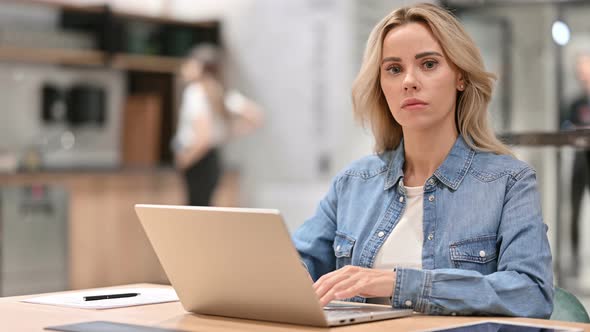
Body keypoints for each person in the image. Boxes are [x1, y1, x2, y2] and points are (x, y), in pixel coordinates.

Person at [292, 3, 553, 318]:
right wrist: (289, 277)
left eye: (428, 64)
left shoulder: (508, 181)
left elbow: (531, 294)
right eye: (393, 69)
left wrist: (397, 283)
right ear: (381, 86)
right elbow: (295, 259)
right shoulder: (354, 182)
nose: (408, 81)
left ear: (460, 76)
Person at [172, 44, 263, 206]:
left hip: (197, 160)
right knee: (204, 210)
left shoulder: (196, 92)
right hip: (212, 160)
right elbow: (255, 116)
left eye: (189, 62)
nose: (185, 67)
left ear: (200, 67)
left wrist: (185, 159)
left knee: (194, 214)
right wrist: (224, 133)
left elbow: (203, 136)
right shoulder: (219, 92)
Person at [563, 53, 590, 273]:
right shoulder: (575, 102)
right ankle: (574, 258)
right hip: (579, 159)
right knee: (575, 209)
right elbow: (565, 127)